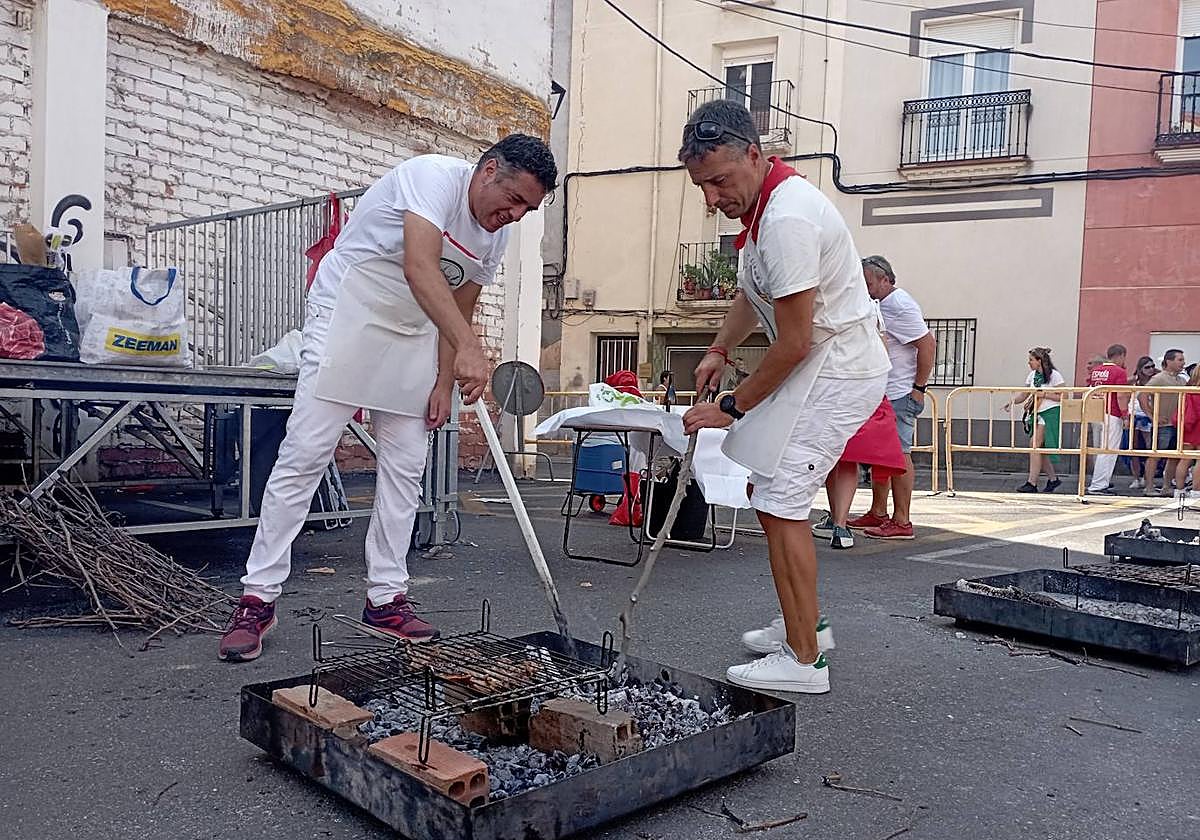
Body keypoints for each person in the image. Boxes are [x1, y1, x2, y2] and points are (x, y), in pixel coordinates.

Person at [218, 135, 557, 662]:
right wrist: (471, 349)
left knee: (406, 464)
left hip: (413, 330)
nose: (512, 216)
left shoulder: (493, 239)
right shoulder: (431, 179)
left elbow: (459, 305)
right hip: (350, 312)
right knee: (305, 454)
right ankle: (258, 598)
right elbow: (420, 267)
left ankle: (385, 597)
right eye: (513, 200)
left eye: (526, 211)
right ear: (488, 171)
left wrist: (444, 380)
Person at [678, 100, 890, 694]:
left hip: (836, 368)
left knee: (780, 500)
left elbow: (793, 341)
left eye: (720, 180)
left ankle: (804, 662)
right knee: (770, 490)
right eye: (702, 185)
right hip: (818, 365)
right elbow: (753, 294)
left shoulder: (788, 220)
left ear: (756, 154)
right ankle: (808, 628)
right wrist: (718, 350)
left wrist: (730, 408)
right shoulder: (764, 210)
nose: (713, 197)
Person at [846, 255, 935, 540]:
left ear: (886, 279)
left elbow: (926, 343)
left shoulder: (898, 304)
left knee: (899, 453)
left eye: (870, 283)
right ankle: (879, 512)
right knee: (882, 454)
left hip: (899, 392)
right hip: (886, 391)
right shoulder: (884, 304)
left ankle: (902, 520)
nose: (866, 288)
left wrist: (918, 388)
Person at [813, 399, 907, 550]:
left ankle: (834, 519)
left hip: (829, 398)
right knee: (847, 461)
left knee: (835, 458)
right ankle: (840, 526)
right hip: (861, 400)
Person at [1003, 347, 1065, 493]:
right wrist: (1012, 402)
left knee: (1034, 444)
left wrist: (1044, 395)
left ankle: (1032, 483)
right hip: (1037, 412)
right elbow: (1025, 394)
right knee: (1039, 448)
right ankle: (1053, 479)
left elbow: (1063, 396)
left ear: (1039, 361)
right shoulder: (1032, 376)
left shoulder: (1054, 375)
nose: (1029, 362)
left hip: (1049, 413)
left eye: (1031, 360)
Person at [1086, 344, 1130, 495]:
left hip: (1096, 412)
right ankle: (1098, 485)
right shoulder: (1119, 372)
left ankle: (1099, 482)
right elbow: (1121, 395)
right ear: (1120, 355)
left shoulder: (1096, 371)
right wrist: (1125, 415)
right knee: (1109, 450)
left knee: (1100, 449)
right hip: (1112, 413)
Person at [1144, 349, 1188, 496]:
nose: (1183, 363)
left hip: (1177, 424)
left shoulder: (1182, 380)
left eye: (1182, 360)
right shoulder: (1159, 379)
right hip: (1163, 425)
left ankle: (1167, 486)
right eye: (1179, 360)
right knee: (1155, 455)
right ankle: (1149, 487)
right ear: (1169, 361)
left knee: (1173, 456)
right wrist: (1152, 416)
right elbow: (1141, 396)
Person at [1127, 355, 1158, 490]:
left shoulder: (1156, 380)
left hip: (1149, 416)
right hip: (1134, 414)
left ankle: (1147, 477)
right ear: (1140, 369)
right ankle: (1136, 478)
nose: (1150, 369)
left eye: (1152, 366)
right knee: (1132, 447)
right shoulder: (1134, 381)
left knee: (1149, 447)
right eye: (1147, 367)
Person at [1171, 362, 1200, 500]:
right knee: (1199, 461)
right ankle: (1196, 491)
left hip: (1187, 426)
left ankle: (1179, 491)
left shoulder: (1189, 388)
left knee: (1184, 459)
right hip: (1198, 426)